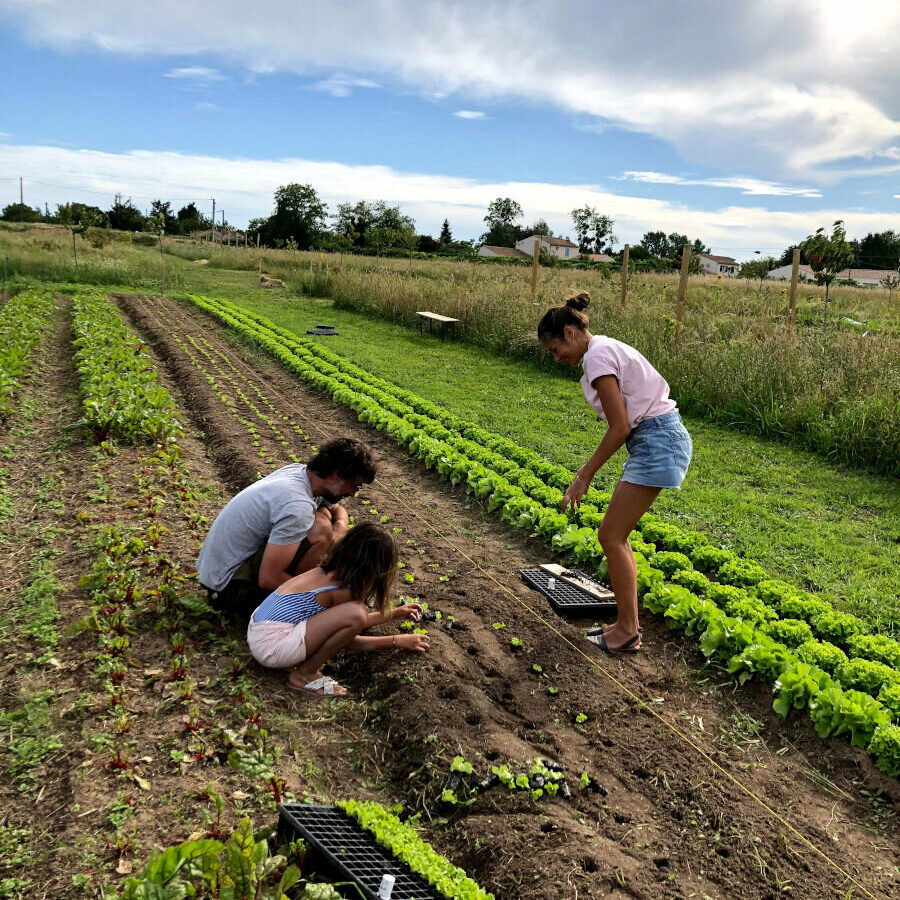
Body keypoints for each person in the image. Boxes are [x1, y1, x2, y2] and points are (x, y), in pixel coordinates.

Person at [538, 291, 692, 652]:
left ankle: (627, 631)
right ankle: (627, 626)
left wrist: (584, 475)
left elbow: (619, 426)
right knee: (613, 536)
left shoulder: (597, 358)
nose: (557, 357)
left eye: (554, 348)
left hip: (658, 439)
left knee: (611, 536)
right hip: (656, 437)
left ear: (569, 333)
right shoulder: (603, 349)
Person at [197, 437, 377, 616]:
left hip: (218, 574)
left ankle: (311, 585)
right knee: (320, 527)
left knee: (325, 515)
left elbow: (338, 511)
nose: (353, 494)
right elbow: (269, 578)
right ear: (337, 474)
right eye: (355, 485)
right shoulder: (297, 505)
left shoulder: (302, 475)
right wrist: (323, 600)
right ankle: (303, 601)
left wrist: (340, 526)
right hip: (228, 589)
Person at [247, 522, 429, 695]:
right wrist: (397, 640)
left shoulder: (326, 573)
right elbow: (347, 639)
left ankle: (296, 663)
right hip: (271, 647)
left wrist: (393, 614)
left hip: (259, 631)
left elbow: (337, 625)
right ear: (377, 569)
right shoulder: (341, 591)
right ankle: (305, 674)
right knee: (356, 613)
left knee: (356, 614)